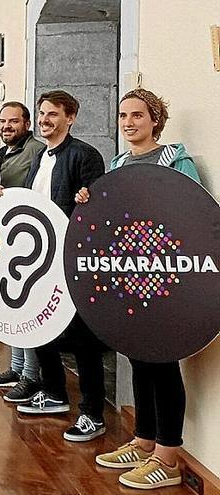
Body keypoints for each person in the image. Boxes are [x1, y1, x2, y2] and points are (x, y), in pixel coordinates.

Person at [86, 88, 198, 490]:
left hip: (165, 279)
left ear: (155, 120)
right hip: (129, 277)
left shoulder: (176, 162)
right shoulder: (116, 164)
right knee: (138, 359)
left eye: (137, 115)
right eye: (123, 115)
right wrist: (90, 200)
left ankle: (167, 457)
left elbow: (192, 216)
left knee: (162, 362)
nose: (129, 122)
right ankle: (143, 440)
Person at [0, 91, 107, 442]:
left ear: (70, 118)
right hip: (40, 260)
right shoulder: (41, 156)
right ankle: (55, 394)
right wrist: (4, 198)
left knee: (84, 339)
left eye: (53, 114)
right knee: (40, 328)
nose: (45, 120)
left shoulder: (85, 155)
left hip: (72, 260)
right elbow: (32, 205)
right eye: (42, 113)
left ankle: (92, 412)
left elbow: (95, 209)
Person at [0, 101, 46, 403]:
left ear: (27, 123)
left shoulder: (36, 151)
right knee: (13, 305)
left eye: (13, 121)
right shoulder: (2, 152)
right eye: (3, 121)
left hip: (28, 236)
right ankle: (17, 366)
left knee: (27, 307)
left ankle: (30, 375)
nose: (7, 126)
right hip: (8, 236)